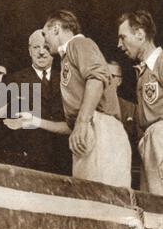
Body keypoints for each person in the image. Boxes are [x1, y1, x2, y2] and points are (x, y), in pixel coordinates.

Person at [9, 10, 131, 187]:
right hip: (87, 132)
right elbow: (70, 126)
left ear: (56, 28)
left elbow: (97, 78)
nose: (44, 41)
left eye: (45, 34)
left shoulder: (79, 44)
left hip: (101, 130)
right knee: (89, 203)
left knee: (106, 201)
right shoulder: (67, 58)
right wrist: (34, 121)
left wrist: (82, 123)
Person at [3, 30, 72, 174]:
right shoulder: (13, 80)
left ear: (53, 50)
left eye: (46, 47)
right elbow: (8, 126)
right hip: (28, 163)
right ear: (29, 51)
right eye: (36, 47)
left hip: (64, 162)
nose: (41, 52)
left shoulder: (67, 80)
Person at [117, 10, 163, 195]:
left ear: (140, 35)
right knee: (153, 205)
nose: (119, 44)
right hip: (149, 141)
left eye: (123, 37)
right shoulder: (143, 71)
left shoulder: (161, 62)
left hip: (160, 137)